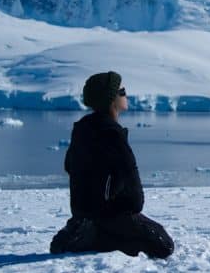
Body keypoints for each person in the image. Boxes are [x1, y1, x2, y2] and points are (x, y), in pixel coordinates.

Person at [50, 71, 174, 259]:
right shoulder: (111, 133)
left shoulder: (83, 128)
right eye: (121, 91)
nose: (125, 95)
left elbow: (70, 167)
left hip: (84, 213)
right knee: (164, 245)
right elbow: (130, 182)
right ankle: (97, 236)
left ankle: (84, 229)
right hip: (111, 215)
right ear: (110, 99)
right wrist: (125, 209)